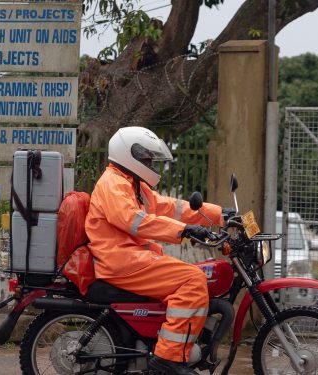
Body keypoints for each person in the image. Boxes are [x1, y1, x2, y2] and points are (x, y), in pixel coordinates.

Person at [85, 126, 223, 375]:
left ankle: (170, 345)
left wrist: (219, 214)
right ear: (130, 155)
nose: (150, 162)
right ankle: (167, 358)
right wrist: (184, 231)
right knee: (192, 280)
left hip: (133, 257)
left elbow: (169, 207)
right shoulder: (113, 184)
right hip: (122, 261)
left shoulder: (131, 183)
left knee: (190, 276)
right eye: (146, 158)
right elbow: (135, 220)